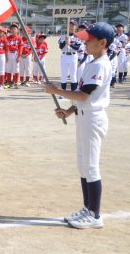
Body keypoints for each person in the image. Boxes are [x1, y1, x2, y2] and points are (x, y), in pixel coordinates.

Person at [44, 22, 114, 229]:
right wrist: (68, 111)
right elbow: (82, 99)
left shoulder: (101, 64)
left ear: (102, 43)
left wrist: (56, 91)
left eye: (89, 40)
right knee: (83, 165)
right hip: (83, 116)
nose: (85, 42)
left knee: (91, 167)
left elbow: (84, 95)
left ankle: (95, 215)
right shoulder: (92, 62)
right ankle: (87, 208)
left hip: (93, 119)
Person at [59, 19, 83, 91]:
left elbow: (77, 47)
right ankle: (63, 93)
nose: (71, 26)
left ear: (76, 27)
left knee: (73, 75)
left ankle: (73, 93)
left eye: (73, 25)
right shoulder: (63, 36)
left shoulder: (78, 36)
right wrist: (65, 42)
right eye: (70, 25)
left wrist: (70, 44)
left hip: (73, 56)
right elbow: (61, 47)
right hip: (65, 55)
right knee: (64, 75)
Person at [4, 23, 23, 88]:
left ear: (17, 30)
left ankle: (15, 82)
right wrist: (6, 56)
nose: (13, 30)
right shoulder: (7, 38)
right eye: (12, 29)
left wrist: (19, 56)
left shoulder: (19, 38)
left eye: (15, 29)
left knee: (16, 68)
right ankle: (9, 82)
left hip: (16, 54)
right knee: (8, 68)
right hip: (9, 53)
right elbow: (5, 48)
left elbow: (20, 47)